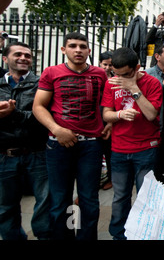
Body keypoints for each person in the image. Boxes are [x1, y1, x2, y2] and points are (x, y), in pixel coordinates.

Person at [32, 32, 108, 240]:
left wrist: (109, 123)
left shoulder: (100, 74)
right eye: (73, 46)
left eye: (82, 46)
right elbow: (38, 107)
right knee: (60, 200)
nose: (78, 50)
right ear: (64, 50)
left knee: (88, 200)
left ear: (89, 51)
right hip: (58, 145)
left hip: (91, 146)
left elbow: (108, 103)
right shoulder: (51, 72)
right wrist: (57, 130)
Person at [101, 47, 162, 240]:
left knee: (146, 197)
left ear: (137, 67)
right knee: (120, 197)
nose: (120, 79)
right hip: (119, 149)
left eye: (126, 74)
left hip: (146, 148)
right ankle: (119, 235)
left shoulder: (152, 83)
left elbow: (152, 114)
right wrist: (118, 115)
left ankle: (144, 234)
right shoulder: (111, 84)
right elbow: (106, 114)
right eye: (115, 74)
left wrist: (134, 89)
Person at [0, 42, 50, 240]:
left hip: (36, 152)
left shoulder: (41, 84)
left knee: (45, 202)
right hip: (4, 154)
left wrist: (14, 113)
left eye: (27, 55)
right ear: (5, 58)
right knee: (6, 206)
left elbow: (44, 116)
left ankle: (44, 236)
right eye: (18, 54)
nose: (23, 58)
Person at [98, 51, 114, 191]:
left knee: (109, 152)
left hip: (109, 120)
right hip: (96, 119)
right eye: (105, 64)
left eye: (110, 65)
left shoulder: (115, 78)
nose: (108, 67)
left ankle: (110, 178)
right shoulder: (96, 77)